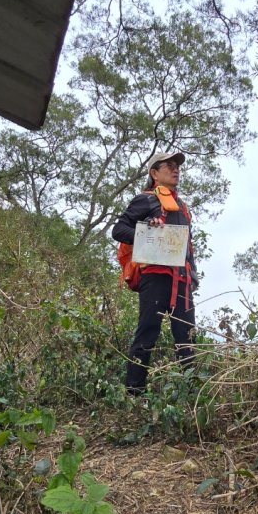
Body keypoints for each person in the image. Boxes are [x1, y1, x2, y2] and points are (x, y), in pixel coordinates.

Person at [112, 150, 198, 395]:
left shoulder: (182, 207)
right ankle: (134, 394)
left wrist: (193, 276)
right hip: (155, 276)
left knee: (187, 336)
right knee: (148, 331)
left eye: (177, 166)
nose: (176, 169)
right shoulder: (146, 200)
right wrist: (146, 232)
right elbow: (119, 230)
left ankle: (192, 397)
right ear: (154, 173)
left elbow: (188, 245)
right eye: (168, 166)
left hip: (182, 279)